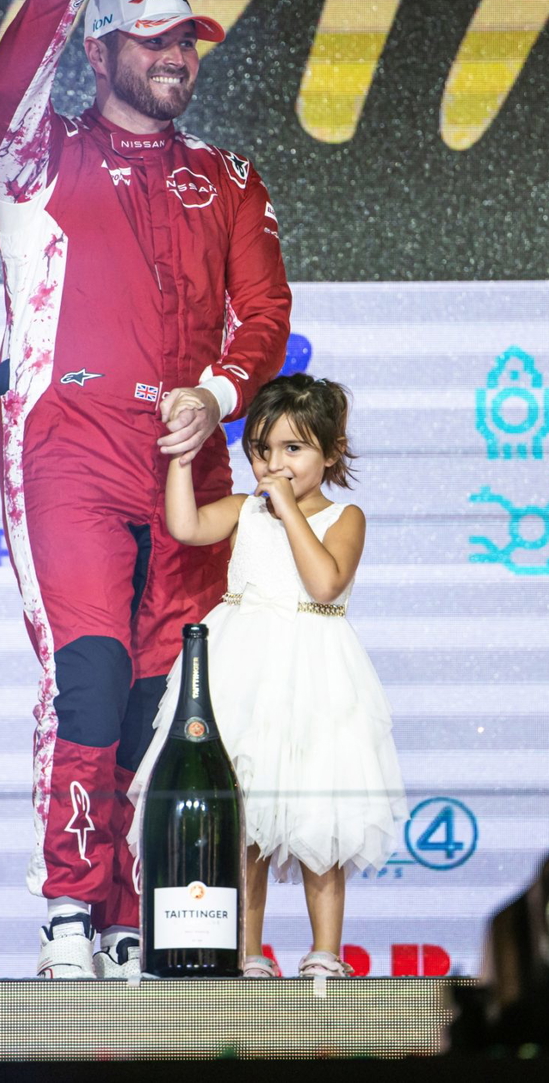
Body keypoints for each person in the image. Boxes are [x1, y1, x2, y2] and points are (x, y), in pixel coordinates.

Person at [0, 0, 291, 978]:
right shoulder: (37, 160)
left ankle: (121, 911)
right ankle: (68, 905)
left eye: (188, 42)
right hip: (67, 443)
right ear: (104, 49)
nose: (177, 59)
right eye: (154, 40)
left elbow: (264, 313)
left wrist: (215, 396)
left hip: (188, 461)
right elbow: (6, 84)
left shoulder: (231, 176)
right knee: (94, 677)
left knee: (162, 701)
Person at [131, 373, 406, 979]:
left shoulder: (345, 516)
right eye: (261, 450)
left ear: (331, 452)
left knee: (320, 822)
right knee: (244, 820)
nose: (274, 464)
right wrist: (180, 460)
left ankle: (325, 955)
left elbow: (326, 583)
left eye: (293, 449)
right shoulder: (243, 510)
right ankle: (247, 953)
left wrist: (286, 509)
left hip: (315, 675)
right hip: (243, 669)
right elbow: (185, 527)